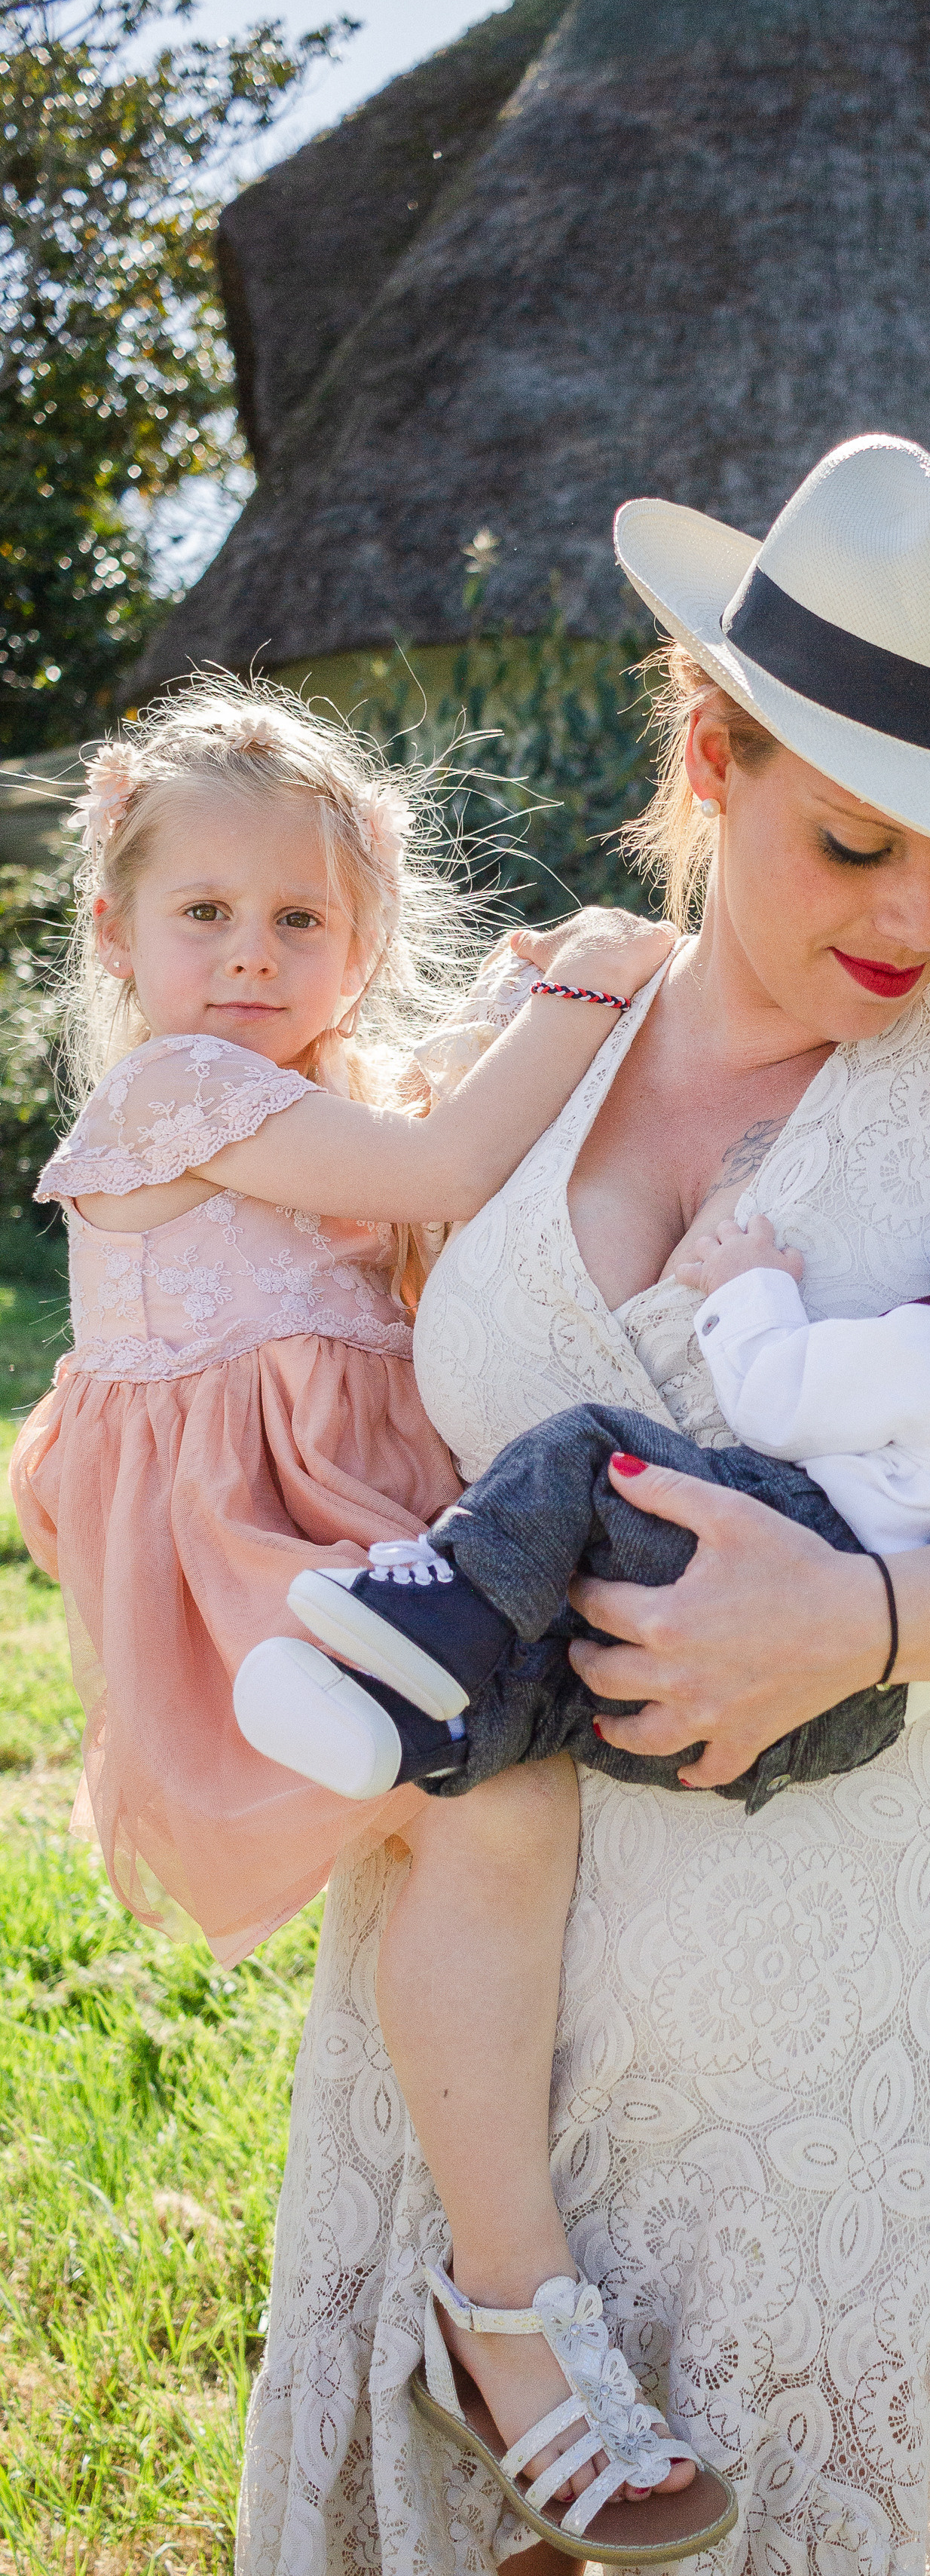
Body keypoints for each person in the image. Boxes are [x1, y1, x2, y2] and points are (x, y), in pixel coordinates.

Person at [238, 433, 930, 2576]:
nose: (920, 922)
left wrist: (857, 1622)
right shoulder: (550, 1026)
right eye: (857, 843)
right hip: (481, 2013)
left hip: (855, 2009)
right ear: (713, 753)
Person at [6, 683, 741, 2564]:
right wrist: (584, 988)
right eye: (206, 915)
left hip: (356, 1509)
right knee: (489, 1800)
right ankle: (505, 2312)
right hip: (251, 1546)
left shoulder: (315, 1089)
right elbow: (439, 1179)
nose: (252, 955)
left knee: (621, 1699)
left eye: (302, 922)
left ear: (362, 936)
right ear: (115, 932)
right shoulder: (176, 1090)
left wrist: (516, 1028)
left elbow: (435, 1169)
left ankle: (894, 1929)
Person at [231, 1205, 930, 1810]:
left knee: (593, 1452)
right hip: (842, 1714)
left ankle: (440, 1612)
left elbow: (778, 1400)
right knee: (580, 1687)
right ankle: (416, 1737)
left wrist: (750, 1283)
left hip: (781, 1550)